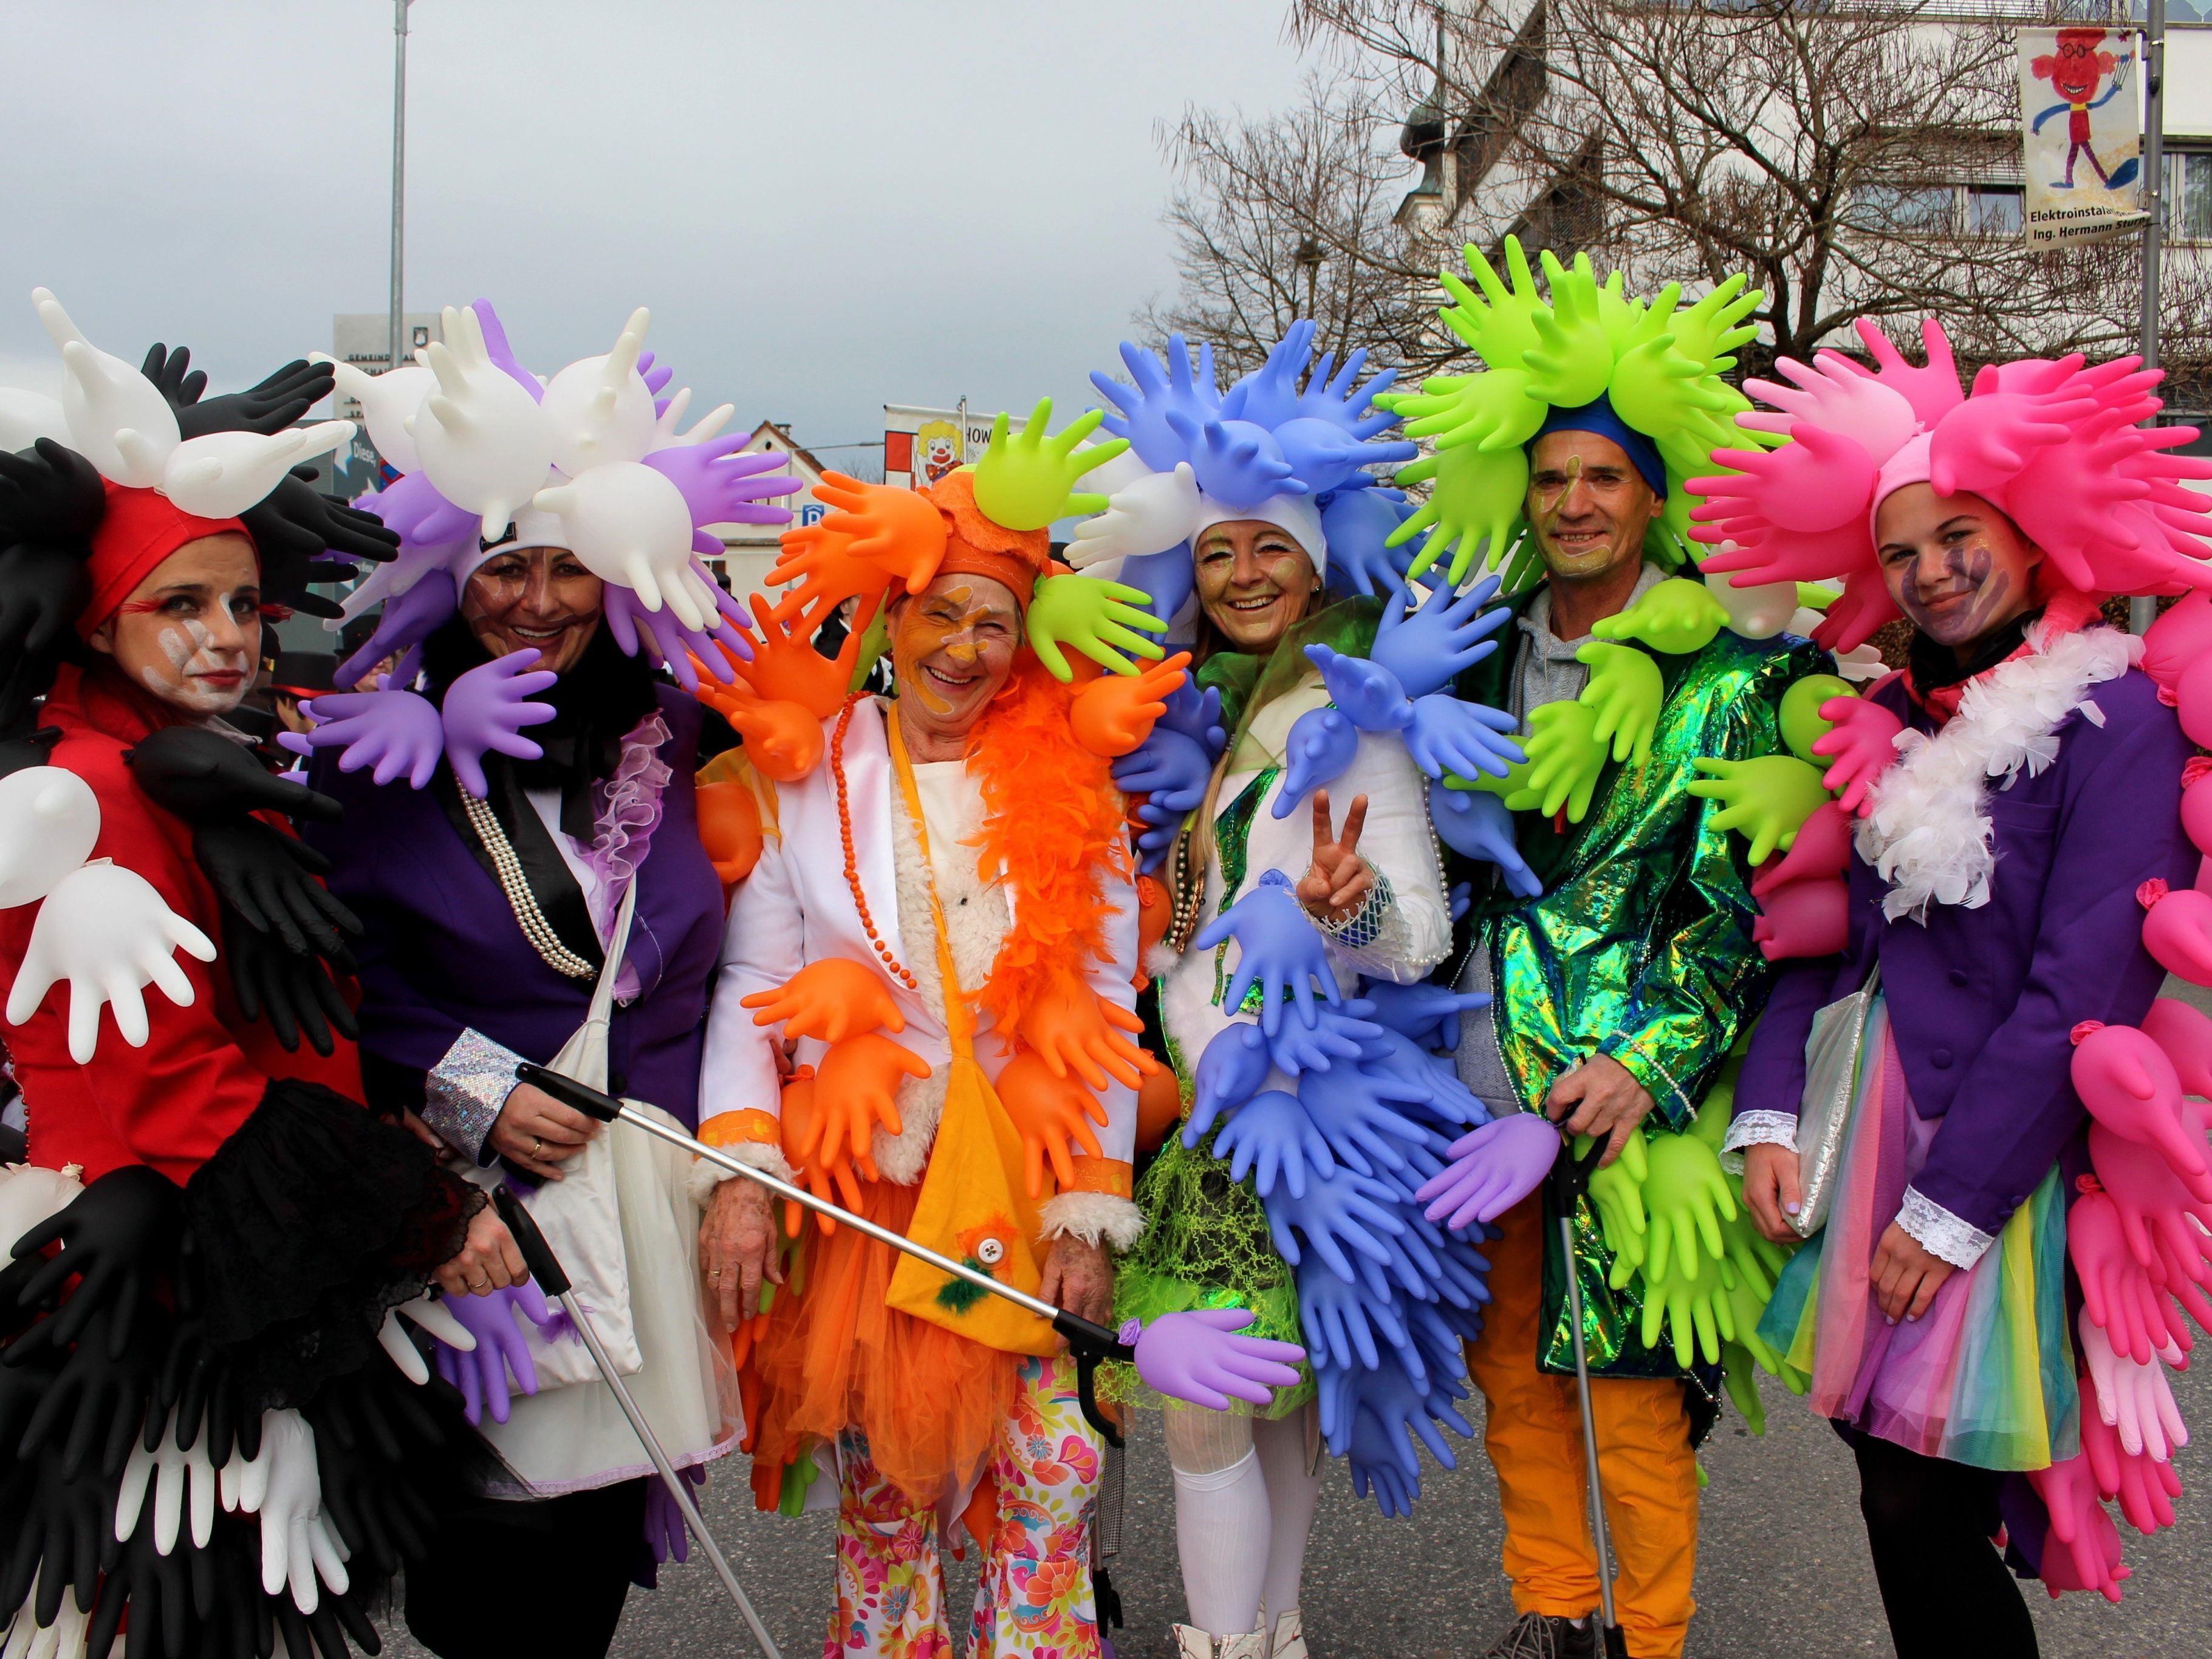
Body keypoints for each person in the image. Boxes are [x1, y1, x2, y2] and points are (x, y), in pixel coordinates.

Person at [0, 320, 525, 1658]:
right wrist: (424, 1209)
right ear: (102, 618)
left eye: (244, 602)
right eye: (184, 605)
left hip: (246, 1235)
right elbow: (174, 1084)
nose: (232, 636)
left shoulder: (186, 756)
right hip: (173, 1272)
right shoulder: (93, 791)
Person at [1727, 329, 2211, 1652]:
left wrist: (1950, 1209)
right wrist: (1772, 1115)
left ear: (2030, 533)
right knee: (1882, 1474)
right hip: (1861, 1132)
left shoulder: (2116, 722)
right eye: (1900, 552)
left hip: (2001, 1156)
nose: (1931, 571)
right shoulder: (1896, 715)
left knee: (1921, 1493)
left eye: (1959, 536)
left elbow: (2080, 995)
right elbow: (1823, 939)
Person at [1399, 243, 1829, 1659]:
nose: (1574, 501)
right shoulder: (1468, 658)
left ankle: (1653, 1634)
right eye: (1552, 476)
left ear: (1654, 494)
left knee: (1631, 1391)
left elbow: (1743, 922)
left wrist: (1644, 1066)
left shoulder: (1735, 678)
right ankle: (1554, 1610)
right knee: (1510, 1371)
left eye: (1604, 476)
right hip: (1474, 1081)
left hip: (1627, 1096)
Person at [700, 460, 1148, 1658]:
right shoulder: (817, 768)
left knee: (1051, 1479)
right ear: (893, 619)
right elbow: (757, 982)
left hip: (1025, 1181)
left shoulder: (1068, 774)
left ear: (1023, 637)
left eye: (991, 620)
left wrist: (1088, 1211)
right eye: (940, 612)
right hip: (879, 1192)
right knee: (891, 1501)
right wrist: (740, 1168)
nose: (963, 646)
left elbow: (1104, 992)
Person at [306, 504, 750, 1654]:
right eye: (507, 569)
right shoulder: (378, 758)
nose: (540, 600)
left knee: (593, 1552)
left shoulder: (678, 735)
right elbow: (334, 982)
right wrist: (475, 1089)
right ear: (451, 583)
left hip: (647, 1210)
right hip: (482, 1209)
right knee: (490, 1558)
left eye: (572, 570)